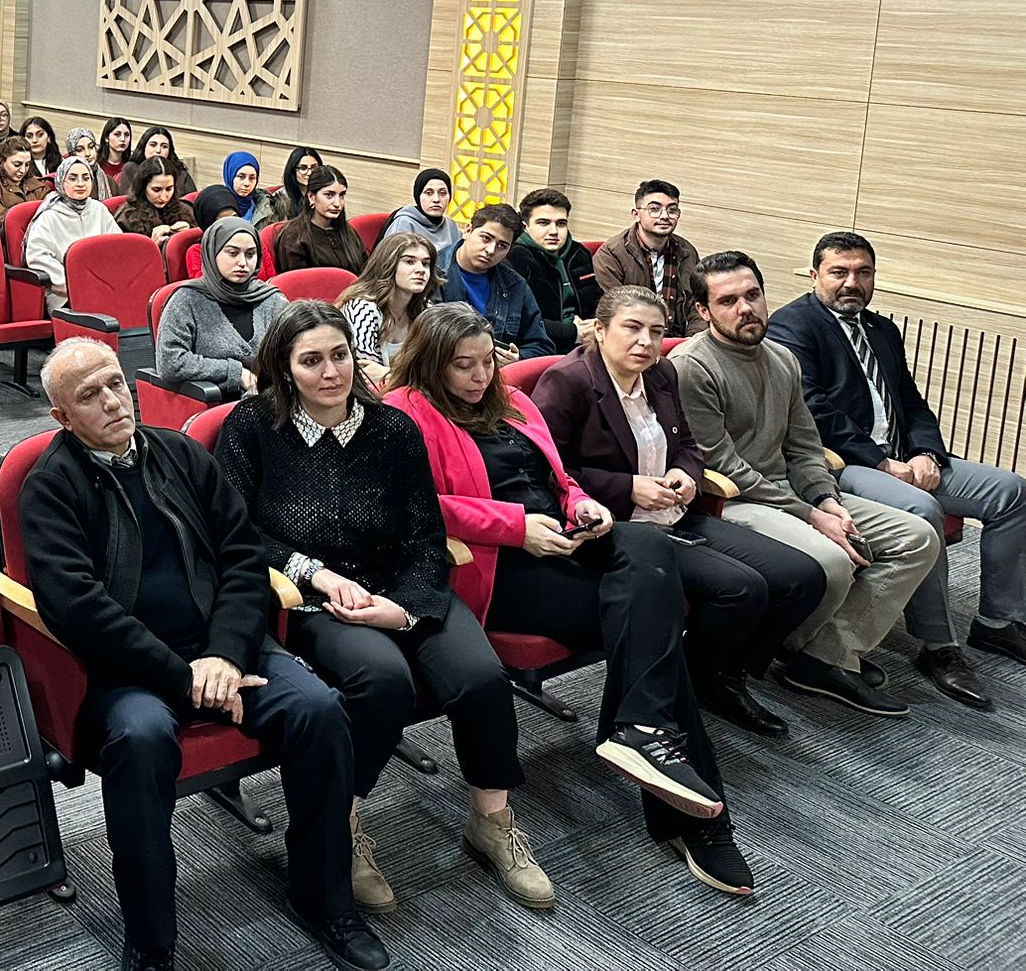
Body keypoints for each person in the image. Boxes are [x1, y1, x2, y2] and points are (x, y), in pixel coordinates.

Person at [19, 339, 388, 970]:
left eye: (115, 384)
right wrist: (182, 676)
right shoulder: (50, 487)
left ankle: (325, 898)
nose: (113, 401)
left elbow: (242, 557)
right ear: (62, 416)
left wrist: (223, 655)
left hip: (226, 648)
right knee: (140, 742)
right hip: (132, 671)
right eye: (90, 395)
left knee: (321, 710)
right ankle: (151, 941)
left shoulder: (181, 453)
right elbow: (77, 608)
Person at [387, 303, 748, 894]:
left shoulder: (512, 400)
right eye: (462, 365)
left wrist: (583, 505)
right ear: (430, 364)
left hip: (564, 539)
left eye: (487, 361)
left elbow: (560, 478)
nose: (480, 376)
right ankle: (695, 813)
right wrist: (515, 527)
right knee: (650, 631)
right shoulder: (404, 412)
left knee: (647, 550)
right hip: (499, 564)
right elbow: (418, 506)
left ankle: (642, 731)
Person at [216, 303, 554, 914]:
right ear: (285, 369)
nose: (331, 372)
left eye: (340, 355)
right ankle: (343, 822)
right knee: (383, 680)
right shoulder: (253, 425)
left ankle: (492, 822)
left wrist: (403, 610)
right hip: (315, 596)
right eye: (311, 361)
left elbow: (426, 536)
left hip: (402, 583)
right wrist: (315, 573)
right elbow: (235, 532)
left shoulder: (392, 429)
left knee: (481, 677)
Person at [534, 287, 828, 736]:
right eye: (632, 328)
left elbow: (688, 444)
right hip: (615, 527)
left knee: (802, 576)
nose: (646, 342)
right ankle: (691, 685)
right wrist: (628, 487)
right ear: (600, 330)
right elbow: (546, 471)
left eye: (656, 332)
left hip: (674, 512)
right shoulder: (568, 381)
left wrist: (686, 473)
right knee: (742, 589)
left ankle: (719, 676)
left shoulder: (661, 373)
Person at [672, 252, 942, 717]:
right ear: (703, 311)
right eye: (728, 301)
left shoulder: (782, 358)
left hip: (791, 491)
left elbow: (805, 446)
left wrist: (826, 499)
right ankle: (771, 655)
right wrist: (811, 514)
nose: (746, 309)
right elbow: (724, 466)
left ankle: (825, 656)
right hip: (733, 500)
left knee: (917, 537)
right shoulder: (692, 366)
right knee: (832, 562)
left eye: (753, 295)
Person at [768, 233, 1026, 700]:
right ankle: (939, 646)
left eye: (863, 272)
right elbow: (813, 410)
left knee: (1011, 491)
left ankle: (998, 621)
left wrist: (927, 452)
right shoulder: (792, 326)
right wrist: (882, 461)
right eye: (839, 272)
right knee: (923, 509)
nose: (852, 283)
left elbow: (910, 399)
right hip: (841, 462)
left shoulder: (881, 328)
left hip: (904, 454)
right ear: (814, 275)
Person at [156, 218, 288, 399]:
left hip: (276, 399)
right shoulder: (186, 300)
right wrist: (235, 372)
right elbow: (170, 361)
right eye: (233, 253)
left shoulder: (272, 299)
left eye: (250, 254)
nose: (243, 262)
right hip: (216, 403)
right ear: (213, 252)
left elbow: (296, 350)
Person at [433, 204, 554, 362]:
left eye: (502, 246)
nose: (490, 250)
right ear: (468, 230)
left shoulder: (515, 285)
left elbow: (542, 346)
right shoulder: (431, 272)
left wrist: (518, 358)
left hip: (498, 372)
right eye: (486, 238)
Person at [593, 181, 705, 338]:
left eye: (672, 210)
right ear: (636, 214)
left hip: (679, 341)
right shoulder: (611, 254)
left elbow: (697, 305)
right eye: (654, 209)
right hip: (634, 339)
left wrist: (691, 341)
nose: (665, 216)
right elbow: (614, 310)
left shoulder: (687, 251)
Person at [23, 156, 123, 313]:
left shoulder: (99, 209)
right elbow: (38, 256)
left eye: (86, 178)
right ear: (61, 181)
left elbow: (118, 247)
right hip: (64, 294)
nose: (81, 184)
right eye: (73, 178)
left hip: (103, 286)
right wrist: (74, 283)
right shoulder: (49, 215)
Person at [339, 234, 440, 389]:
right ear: (387, 265)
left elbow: (435, 370)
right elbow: (366, 376)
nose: (421, 270)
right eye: (409, 262)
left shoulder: (425, 308)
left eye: (425, 264)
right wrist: (413, 377)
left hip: (411, 392)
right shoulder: (362, 310)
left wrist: (387, 374)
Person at [508, 188, 600, 354]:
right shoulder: (514, 257)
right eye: (543, 223)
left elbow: (596, 300)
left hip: (587, 341)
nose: (553, 231)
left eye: (561, 223)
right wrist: (572, 332)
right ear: (525, 226)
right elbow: (517, 320)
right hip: (541, 346)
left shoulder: (579, 253)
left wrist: (597, 323)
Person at [274, 165, 369, 274]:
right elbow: (297, 282)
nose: (337, 203)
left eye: (342, 195)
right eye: (329, 195)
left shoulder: (348, 232)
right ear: (311, 197)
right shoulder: (294, 237)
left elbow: (365, 272)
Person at [115, 157, 196, 244]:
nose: (163, 197)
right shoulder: (126, 219)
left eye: (169, 189)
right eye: (156, 190)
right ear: (143, 188)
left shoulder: (185, 210)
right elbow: (123, 251)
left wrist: (189, 232)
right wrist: (152, 245)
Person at [380, 168, 461, 255]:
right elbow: (391, 261)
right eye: (429, 193)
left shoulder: (451, 226)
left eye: (442, 193)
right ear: (418, 195)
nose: (436, 199)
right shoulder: (403, 224)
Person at [0, 135, 50, 222]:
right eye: (17, 164)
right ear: (2, 161)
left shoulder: (34, 182)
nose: (23, 170)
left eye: (27, 164)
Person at [223, 150, 286, 229]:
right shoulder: (216, 205)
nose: (247, 183)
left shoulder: (269, 207)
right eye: (241, 177)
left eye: (252, 178)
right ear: (230, 176)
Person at [92, 117, 133, 200]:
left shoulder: (131, 167)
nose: (123, 139)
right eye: (117, 134)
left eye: (126, 135)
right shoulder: (95, 164)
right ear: (106, 138)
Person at [280, 146, 324, 221]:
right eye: (303, 168)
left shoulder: (325, 194)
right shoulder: (282, 198)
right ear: (293, 171)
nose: (309, 173)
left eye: (314, 168)